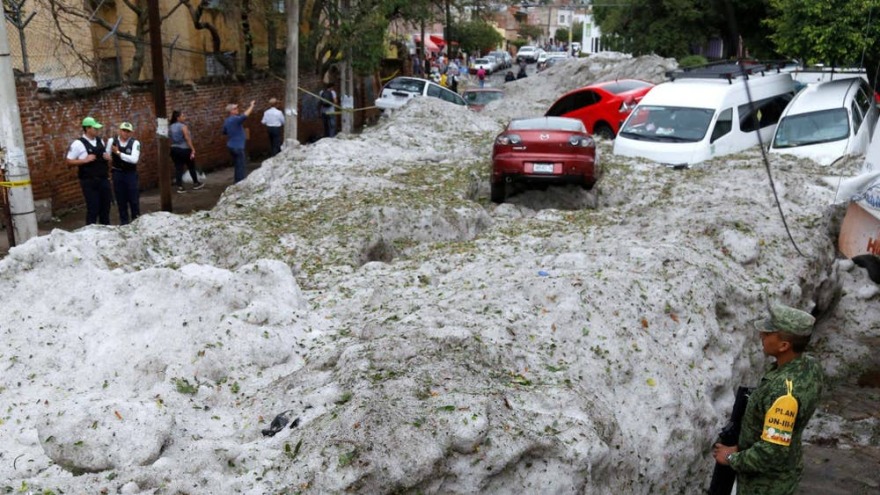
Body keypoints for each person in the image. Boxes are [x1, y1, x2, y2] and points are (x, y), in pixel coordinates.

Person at [712, 302, 824, 495]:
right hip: (784, 473)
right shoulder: (809, 366)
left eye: (769, 333)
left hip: (765, 485)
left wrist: (731, 458)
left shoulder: (783, 392)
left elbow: (771, 452)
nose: (761, 335)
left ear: (784, 345)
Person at [65, 116, 112, 225]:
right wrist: (84, 160)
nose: (97, 131)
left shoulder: (100, 141)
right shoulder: (78, 144)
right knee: (93, 208)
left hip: (103, 179)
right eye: (95, 128)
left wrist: (107, 158)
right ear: (87, 129)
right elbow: (69, 161)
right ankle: (91, 232)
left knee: (105, 208)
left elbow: (105, 157)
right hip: (89, 181)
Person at [109, 122, 141, 225]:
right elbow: (107, 155)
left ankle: (137, 222)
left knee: (134, 199)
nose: (125, 133)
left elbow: (134, 159)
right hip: (117, 173)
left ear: (131, 133)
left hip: (130, 173)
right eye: (123, 130)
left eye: (128, 131)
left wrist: (119, 153)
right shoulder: (112, 141)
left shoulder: (135, 143)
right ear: (119, 130)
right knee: (121, 200)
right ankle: (124, 223)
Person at [170, 110, 204, 192]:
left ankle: (180, 186)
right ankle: (196, 183)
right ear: (178, 118)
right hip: (185, 149)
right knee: (191, 166)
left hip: (174, 149)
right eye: (182, 116)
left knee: (178, 168)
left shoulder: (170, 127)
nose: (184, 117)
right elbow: (187, 138)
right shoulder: (183, 126)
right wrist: (192, 148)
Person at [223, 100, 255, 184]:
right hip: (238, 146)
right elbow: (245, 116)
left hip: (231, 145)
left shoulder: (226, 121)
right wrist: (251, 105)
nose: (237, 109)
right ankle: (241, 183)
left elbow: (224, 132)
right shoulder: (235, 119)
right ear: (231, 111)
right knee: (241, 165)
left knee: (237, 165)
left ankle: (236, 181)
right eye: (235, 108)